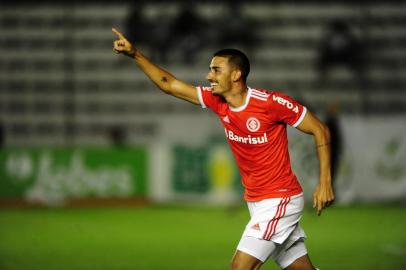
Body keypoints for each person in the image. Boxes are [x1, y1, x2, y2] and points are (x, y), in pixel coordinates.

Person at [112, 27, 334, 270]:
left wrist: (324, 182)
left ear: (236, 74)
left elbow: (320, 129)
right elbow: (169, 84)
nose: (209, 76)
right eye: (210, 69)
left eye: (216, 70)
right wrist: (135, 55)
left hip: (279, 199)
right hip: (257, 201)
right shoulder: (218, 102)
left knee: (239, 268)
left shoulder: (270, 103)